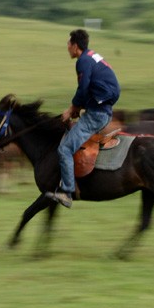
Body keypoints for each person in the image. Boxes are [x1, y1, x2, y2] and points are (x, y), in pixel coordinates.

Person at [45, 29, 121, 208]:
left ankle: (67, 192)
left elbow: (83, 88)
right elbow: (93, 88)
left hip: (96, 115)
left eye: (68, 44)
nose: (67, 47)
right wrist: (79, 107)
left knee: (64, 149)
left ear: (75, 46)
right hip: (101, 110)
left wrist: (72, 107)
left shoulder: (83, 61)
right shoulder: (91, 56)